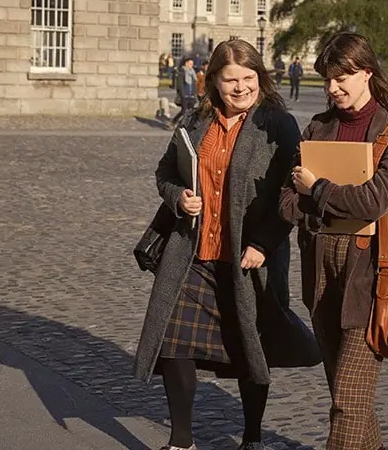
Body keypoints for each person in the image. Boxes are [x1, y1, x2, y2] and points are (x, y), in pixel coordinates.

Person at [133, 39, 321, 450]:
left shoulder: (277, 124)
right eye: (230, 80)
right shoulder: (194, 121)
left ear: (261, 78)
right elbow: (166, 171)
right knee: (173, 342)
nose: (241, 88)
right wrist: (178, 197)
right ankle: (181, 441)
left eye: (248, 79)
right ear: (213, 81)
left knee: (249, 348)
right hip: (192, 254)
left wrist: (264, 243)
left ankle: (251, 438)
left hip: (249, 258)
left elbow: (289, 198)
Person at [279, 32, 388, 450]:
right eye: (327, 80)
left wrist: (318, 190)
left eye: (343, 78)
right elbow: (286, 204)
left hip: (373, 276)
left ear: (368, 74)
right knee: (350, 396)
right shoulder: (317, 128)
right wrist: (326, 201)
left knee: (347, 402)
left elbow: (373, 201)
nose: (332, 88)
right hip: (321, 270)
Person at [171, 58, 197, 125]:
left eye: (192, 64)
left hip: (191, 95)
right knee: (183, 111)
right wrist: (183, 94)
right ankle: (173, 122)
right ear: (186, 63)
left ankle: (185, 124)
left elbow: (194, 84)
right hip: (185, 95)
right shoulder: (182, 72)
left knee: (191, 112)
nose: (192, 65)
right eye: (190, 63)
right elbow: (180, 85)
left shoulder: (193, 73)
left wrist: (194, 94)